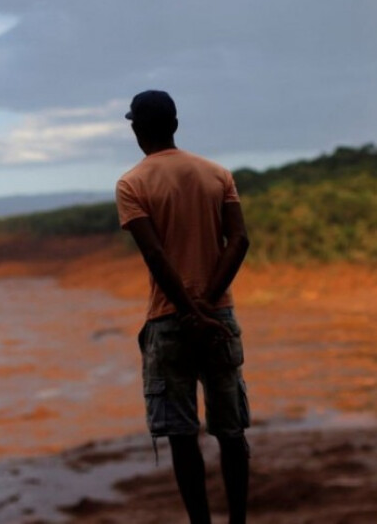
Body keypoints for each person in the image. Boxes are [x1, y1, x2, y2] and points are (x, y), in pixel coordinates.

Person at [115, 89, 251, 524]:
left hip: (168, 321)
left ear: (137, 129)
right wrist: (208, 306)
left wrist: (189, 311)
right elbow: (240, 240)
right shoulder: (217, 174)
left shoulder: (131, 184)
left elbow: (155, 255)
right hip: (218, 318)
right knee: (231, 433)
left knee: (181, 436)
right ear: (175, 124)